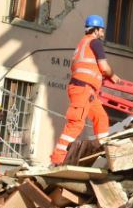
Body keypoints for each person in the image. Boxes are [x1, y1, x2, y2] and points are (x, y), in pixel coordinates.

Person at [50, 15, 121, 166]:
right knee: (76, 123)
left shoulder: (83, 43)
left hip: (86, 90)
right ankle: (58, 158)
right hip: (83, 89)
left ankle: (103, 151)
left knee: (101, 118)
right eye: (101, 29)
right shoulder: (95, 43)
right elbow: (104, 67)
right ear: (96, 30)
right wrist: (112, 75)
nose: (103, 32)